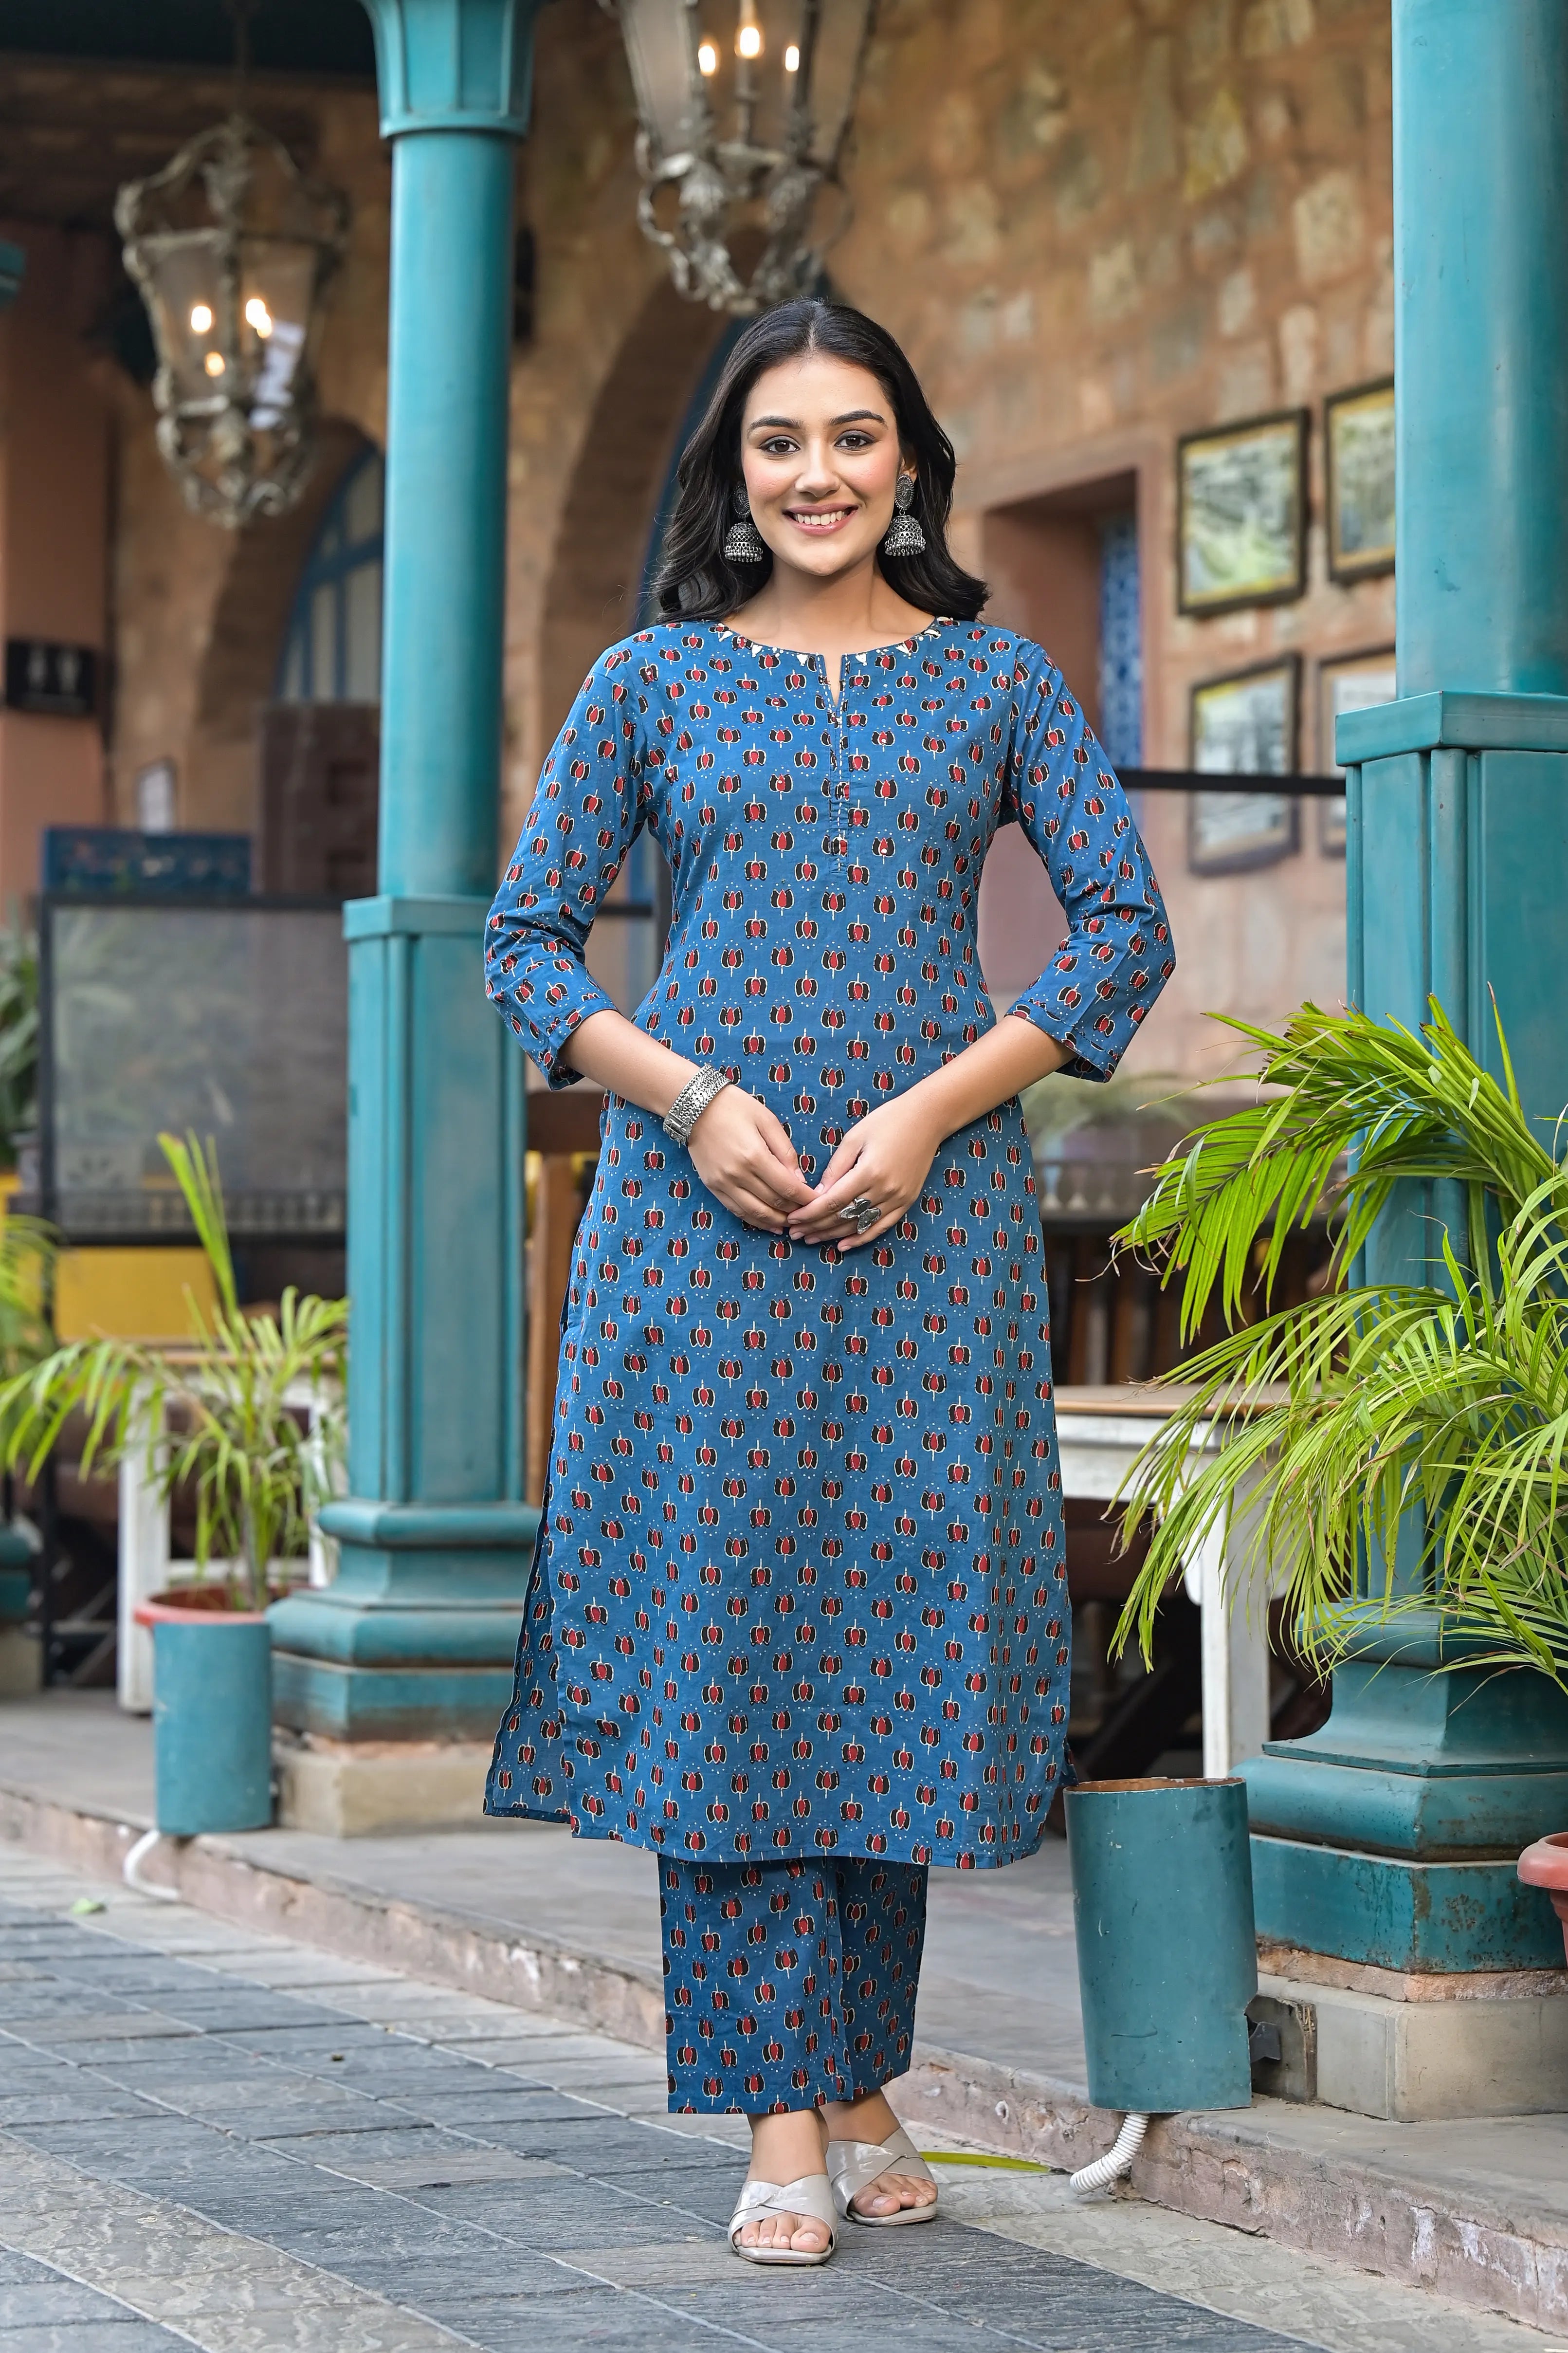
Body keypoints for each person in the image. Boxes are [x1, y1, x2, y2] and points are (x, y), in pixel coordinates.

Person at [482, 298, 1174, 2267]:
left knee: (891, 1644)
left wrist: (934, 1114)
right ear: (732, 471)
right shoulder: (650, 680)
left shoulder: (995, 681)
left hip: (924, 1235)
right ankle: (784, 2116)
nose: (816, 474)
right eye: (777, 441)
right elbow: (527, 943)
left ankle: (856, 2079)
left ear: (909, 464)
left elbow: (1119, 931)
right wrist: (692, 1103)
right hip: (695, 1237)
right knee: (729, 1647)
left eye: (853, 437)